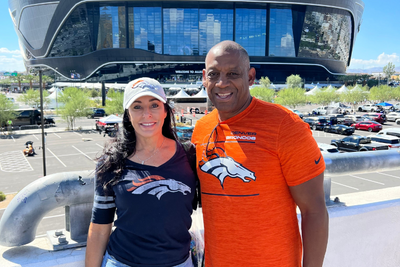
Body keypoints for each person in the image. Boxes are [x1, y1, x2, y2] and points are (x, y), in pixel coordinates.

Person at [191, 41, 328, 266]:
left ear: (251, 77)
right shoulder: (202, 128)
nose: (222, 83)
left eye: (233, 73)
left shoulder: (285, 125)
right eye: (214, 74)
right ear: (204, 77)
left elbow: (314, 210)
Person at [86, 78, 196, 267]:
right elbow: (99, 229)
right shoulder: (112, 162)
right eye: (137, 107)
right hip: (122, 262)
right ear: (128, 114)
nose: (147, 114)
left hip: (180, 262)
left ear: (165, 111)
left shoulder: (189, 154)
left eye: (154, 105)